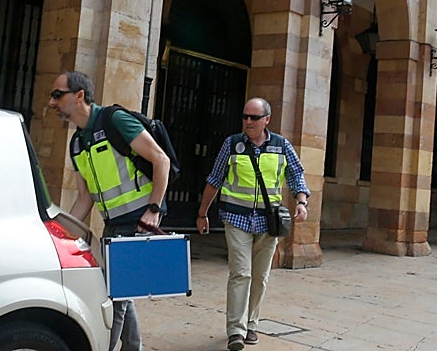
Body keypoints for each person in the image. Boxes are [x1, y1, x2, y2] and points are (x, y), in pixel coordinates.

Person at [49, 71, 171, 351]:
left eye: (58, 95)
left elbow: (160, 160)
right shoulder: (77, 142)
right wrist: (61, 232)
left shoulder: (115, 120)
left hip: (139, 222)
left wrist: (153, 209)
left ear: (79, 95)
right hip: (113, 224)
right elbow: (84, 198)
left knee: (114, 297)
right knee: (121, 293)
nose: (51, 102)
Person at [196, 98, 310, 351]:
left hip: (268, 223)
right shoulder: (232, 144)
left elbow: (296, 175)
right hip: (236, 219)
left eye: (254, 118)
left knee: (260, 277)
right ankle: (235, 330)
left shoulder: (281, 146)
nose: (248, 121)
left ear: (266, 120)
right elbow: (214, 179)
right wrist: (202, 213)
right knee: (241, 273)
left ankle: (252, 324)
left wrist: (302, 202)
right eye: (245, 116)